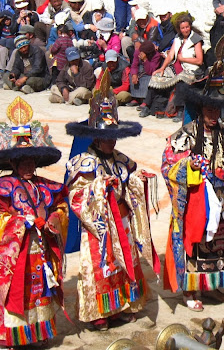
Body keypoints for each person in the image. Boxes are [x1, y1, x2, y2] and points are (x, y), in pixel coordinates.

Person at [0, 97, 67, 348]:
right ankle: (9, 337)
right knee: (16, 292)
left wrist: (54, 220)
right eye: (23, 162)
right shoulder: (1, 188)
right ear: (12, 163)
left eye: (32, 161)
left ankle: (34, 334)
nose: (28, 166)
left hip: (39, 252)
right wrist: (20, 224)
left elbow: (61, 207)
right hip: (14, 254)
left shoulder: (44, 186)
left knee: (37, 293)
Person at [65, 71, 154, 330]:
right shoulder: (82, 163)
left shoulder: (121, 159)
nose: (110, 141)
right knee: (100, 267)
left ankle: (122, 305)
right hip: (99, 227)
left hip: (122, 222)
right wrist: (100, 188)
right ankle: (99, 312)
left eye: (113, 136)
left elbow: (131, 178)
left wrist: (138, 181)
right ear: (94, 136)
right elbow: (75, 194)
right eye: (105, 137)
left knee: (123, 263)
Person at [162, 50, 224, 311]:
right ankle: (191, 290)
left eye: (217, 110)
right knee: (196, 242)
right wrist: (189, 167)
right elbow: (168, 165)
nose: (213, 114)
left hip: (223, 199)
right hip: (198, 200)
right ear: (200, 108)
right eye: (209, 109)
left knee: (220, 244)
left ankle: (216, 284)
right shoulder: (184, 136)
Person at [145, 12, 204, 120]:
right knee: (157, 76)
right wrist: (162, 68)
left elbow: (199, 60)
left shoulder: (196, 39)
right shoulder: (178, 38)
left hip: (191, 69)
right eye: (183, 28)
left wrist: (183, 59)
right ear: (179, 29)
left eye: (187, 27)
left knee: (182, 81)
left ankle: (180, 110)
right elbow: (171, 54)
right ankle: (147, 104)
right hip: (177, 67)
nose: (185, 30)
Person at [128, 39, 162, 107]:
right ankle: (136, 97)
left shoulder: (156, 55)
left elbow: (150, 70)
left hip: (148, 73)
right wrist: (134, 74)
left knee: (149, 79)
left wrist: (145, 60)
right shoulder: (137, 52)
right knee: (131, 75)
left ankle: (145, 100)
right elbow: (134, 65)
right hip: (139, 71)